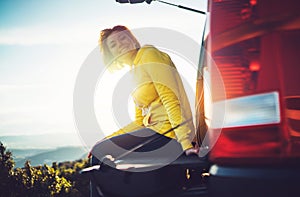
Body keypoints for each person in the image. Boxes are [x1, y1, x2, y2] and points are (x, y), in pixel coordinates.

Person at [90, 25, 199, 166]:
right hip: (154, 132)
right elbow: (139, 122)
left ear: (133, 40)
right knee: (101, 150)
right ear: (112, 54)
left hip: (169, 134)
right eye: (113, 44)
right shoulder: (133, 73)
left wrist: (185, 143)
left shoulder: (149, 54)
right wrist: (106, 140)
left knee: (100, 154)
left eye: (123, 38)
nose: (120, 44)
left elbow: (170, 98)